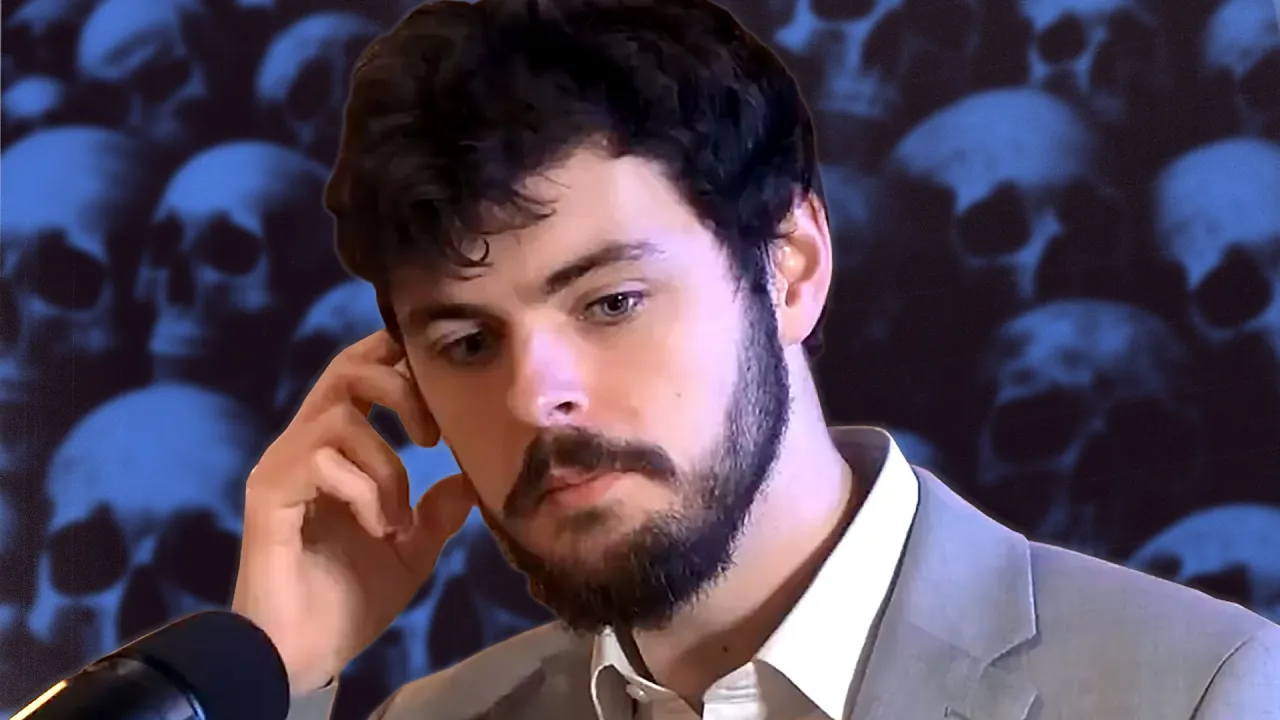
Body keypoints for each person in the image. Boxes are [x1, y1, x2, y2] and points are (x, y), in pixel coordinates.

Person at [230, 0, 1280, 718]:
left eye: (612, 301)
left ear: (789, 268)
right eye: (466, 343)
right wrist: (276, 672)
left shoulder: (1196, 692)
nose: (535, 396)